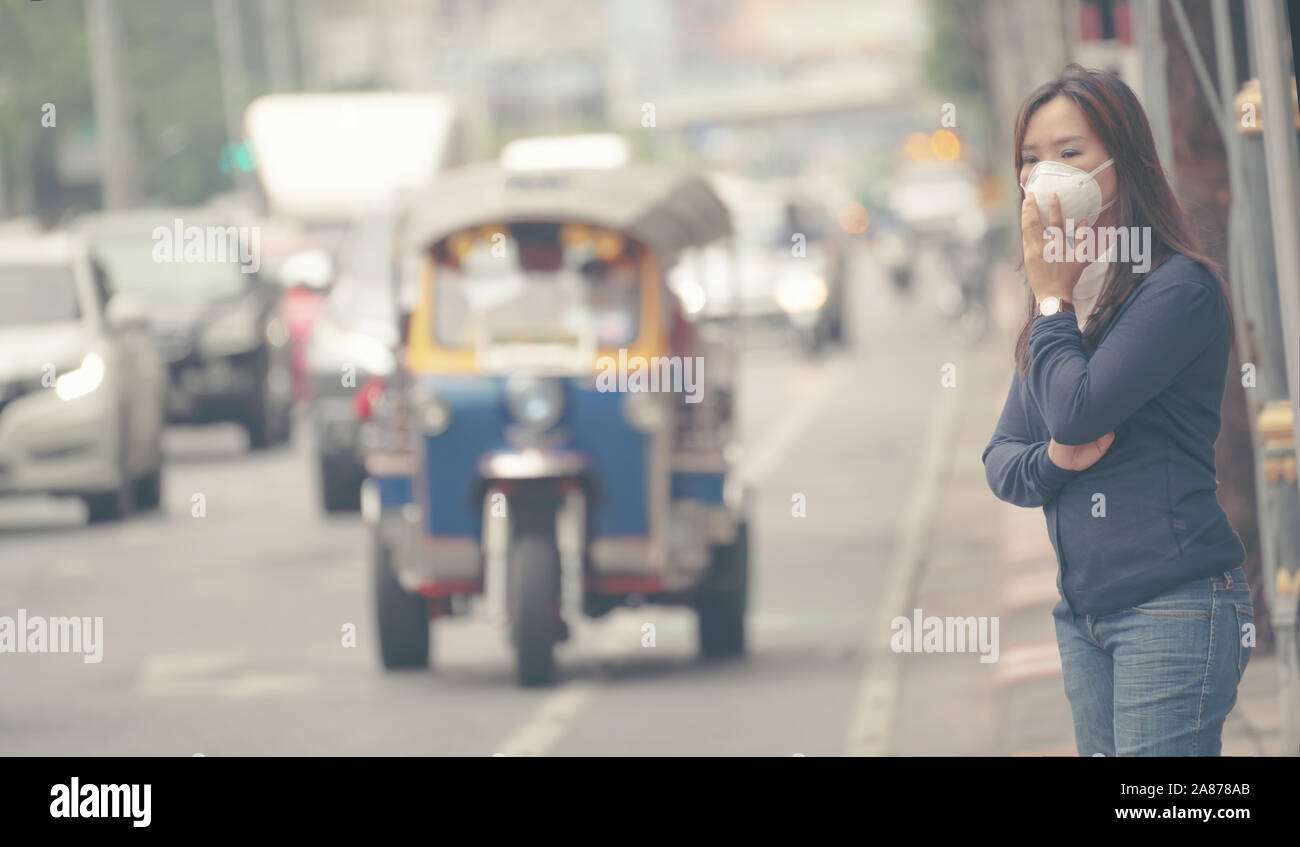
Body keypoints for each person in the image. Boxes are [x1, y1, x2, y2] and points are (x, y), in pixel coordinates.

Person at [981, 64, 1252, 756]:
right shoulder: (1073, 303)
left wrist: (1049, 300)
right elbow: (1004, 458)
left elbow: (1074, 410)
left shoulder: (1175, 290)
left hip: (1174, 604)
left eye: (1069, 153)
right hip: (1085, 616)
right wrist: (1055, 459)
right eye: (1030, 159)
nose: (1045, 175)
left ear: (1120, 160)